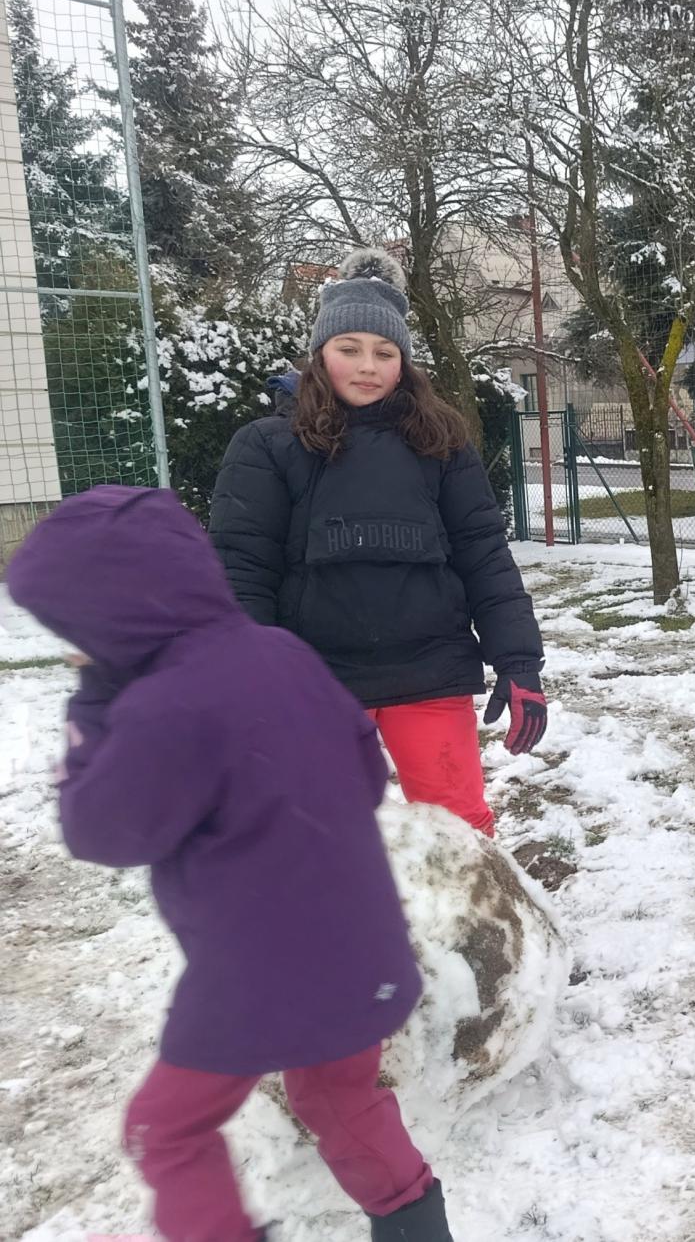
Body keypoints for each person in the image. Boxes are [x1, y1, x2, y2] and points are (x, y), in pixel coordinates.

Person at [6, 486, 452, 1242]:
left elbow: (102, 831)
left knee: (167, 1130)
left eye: (71, 628)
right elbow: (367, 774)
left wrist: (92, 707)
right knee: (337, 1097)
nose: (71, 646)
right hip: (360, 943)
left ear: (112, 615)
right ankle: (416, 1227)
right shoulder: (280, 650)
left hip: (257, 972)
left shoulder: (159, 708)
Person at [210, 248, 546, 837]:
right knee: (319, 831)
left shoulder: (441, 443)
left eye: (385, 353)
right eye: (349, 349)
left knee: (459, 828)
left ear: (404, 362)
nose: (368, 366)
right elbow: (243, 567)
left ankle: (473, 931)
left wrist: (518, 661)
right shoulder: (267, 446)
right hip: (314, 678)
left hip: (430, 670)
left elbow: (483, 554)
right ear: (319, 355)